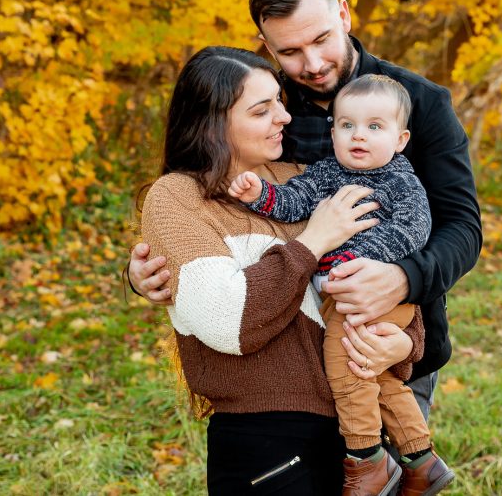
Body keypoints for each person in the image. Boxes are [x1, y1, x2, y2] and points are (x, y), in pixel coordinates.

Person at [130, 0, 482, 417]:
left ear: (344, 14)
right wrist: (155, 270)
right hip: (287, 361)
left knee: (386, 475)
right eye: (290, 51)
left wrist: (403, 279)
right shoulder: (263, 108)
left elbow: (462, 227)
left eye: (321, 39)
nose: (313, 64)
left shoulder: (420, 104)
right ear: (265, 44)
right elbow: (204, 193)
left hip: (389, 341)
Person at [138, 45, 422, 495]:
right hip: (268, 439)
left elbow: (378, 275)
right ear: (214, 123)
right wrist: (315, 240)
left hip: (357, 428)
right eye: (261, 109)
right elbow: (228, 321)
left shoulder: (304, 178)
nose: (284, 118)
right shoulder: (177, 198)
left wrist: (404, 343)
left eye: (279, 102)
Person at [228, 74, 455, 495]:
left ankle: (367, 460)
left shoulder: (400, 180)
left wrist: (358, 257)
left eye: (374, 127)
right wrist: (261, 194)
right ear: (332, 131)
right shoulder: (327, 173)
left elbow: (414, 230)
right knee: (377, 378)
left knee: (346, 363)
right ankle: (421, 459)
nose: (358, 136)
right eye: (346, 125)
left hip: (379, 294)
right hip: (344, 293)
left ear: (400, 139)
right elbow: (294, 200)